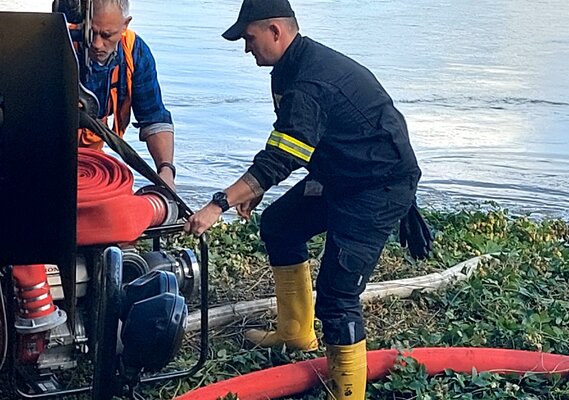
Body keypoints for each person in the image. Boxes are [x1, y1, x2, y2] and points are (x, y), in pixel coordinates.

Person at [184, 0, 432, 398]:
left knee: (337, 296)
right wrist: (258, 187)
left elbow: (282, 157)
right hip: (339, 173)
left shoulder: (310, 82)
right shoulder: (287, 69)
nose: (246, 48)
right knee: (280, 225)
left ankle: (346, 393)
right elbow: (293, 143)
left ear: (276, 31)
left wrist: (219, 204)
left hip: (377, 186)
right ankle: (296, 332)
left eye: (249, 38)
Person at [77, 0, 176, 190]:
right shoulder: (61, 43)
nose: (97, 44)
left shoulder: (135, 52)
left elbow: (153, 117)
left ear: (125, 25)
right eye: (91, 32)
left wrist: (166, 170)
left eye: (107, 35)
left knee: (118, 181)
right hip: (47, 148)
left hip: (90, 157)